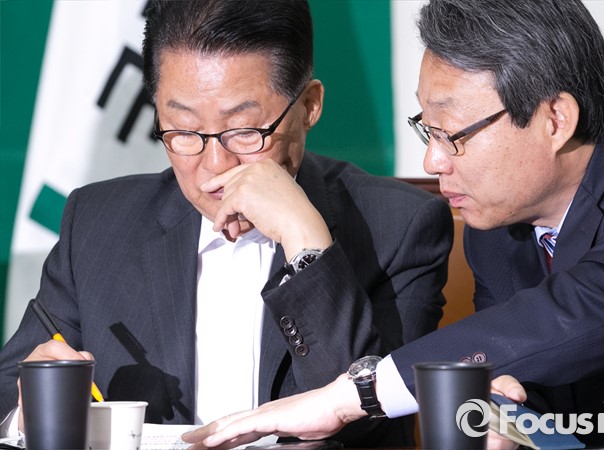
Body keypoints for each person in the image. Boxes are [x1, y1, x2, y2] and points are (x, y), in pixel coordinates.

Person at [181, 0, 604, 449]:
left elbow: (594, 308)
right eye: (425, 129)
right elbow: (520, 370)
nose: (433, 161)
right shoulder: (495, 231)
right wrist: (510, 413)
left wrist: (351, 396)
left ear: (555, 119)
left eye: (450, 133)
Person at [0, 0, 455, 447]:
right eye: (183, 131)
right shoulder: (97, 223)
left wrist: (306, 242)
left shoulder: (398, 228)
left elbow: (368, 427)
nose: (215, 165)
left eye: (244, 131)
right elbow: (8, 392)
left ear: (309, 106)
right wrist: (25, 410)